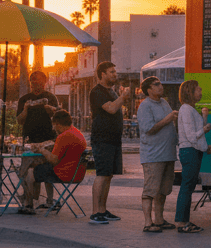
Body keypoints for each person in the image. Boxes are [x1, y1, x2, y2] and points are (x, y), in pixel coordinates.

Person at [20, 110, 87, 213]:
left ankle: (28, 205)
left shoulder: (63, 137)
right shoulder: (77, 133)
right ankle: (49, 201)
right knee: (44, 167)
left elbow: (54, 160)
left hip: (64, 173)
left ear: (57, 124)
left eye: (54, 126)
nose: (54, 129)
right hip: (77, 173)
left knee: (29, 172)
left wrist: (42, 150)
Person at [89, 61, 130, 224]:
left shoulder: (111, 91)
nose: (115, 74)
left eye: (115, 71)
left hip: (114, 138)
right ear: (102, 74)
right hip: (102, 138)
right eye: (111, 72)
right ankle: (95, 212)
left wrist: (119, 97)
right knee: (101, 174)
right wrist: (123, 97)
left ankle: (102, 210)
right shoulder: (97, 92)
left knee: (108, 175)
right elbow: (112, 108)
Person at [173, 80, 211, 233]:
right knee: (187, 187)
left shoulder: (190, 109)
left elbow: (195, 134)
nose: (201, 90)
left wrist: (204, 118)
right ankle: (181, 222)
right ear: (190, 92)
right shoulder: (186, 109)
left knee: (188, 187)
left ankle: (184, 221)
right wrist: (204, 129)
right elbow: (192, 136)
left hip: (192, 151)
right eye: (198, 89)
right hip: (190, 152)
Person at [137, 75, 177, 232]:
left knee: (163, 189)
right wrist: (168, 119)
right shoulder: (145, 106)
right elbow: (149, 128)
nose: (161, 86)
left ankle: (159, 220)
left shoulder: (164, 102)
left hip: (168, 153)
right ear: (149, 90)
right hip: (153, 155)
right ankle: (148, 223)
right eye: (156, 84)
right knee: (150, 189)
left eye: (160, 83)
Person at [17, 71, 60, 207]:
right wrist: (25, 109)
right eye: (34, 82)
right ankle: (29, 196)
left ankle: (49, 199)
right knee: (27, 167)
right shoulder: (24, 99)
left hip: (48, 139)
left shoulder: (50, 97)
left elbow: (57, 116)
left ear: (45, 82)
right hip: (29, 139)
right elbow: (19, 120)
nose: (36, 84)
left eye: (40, 82)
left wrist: (49, 108)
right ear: (30, 82)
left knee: (47, 168)